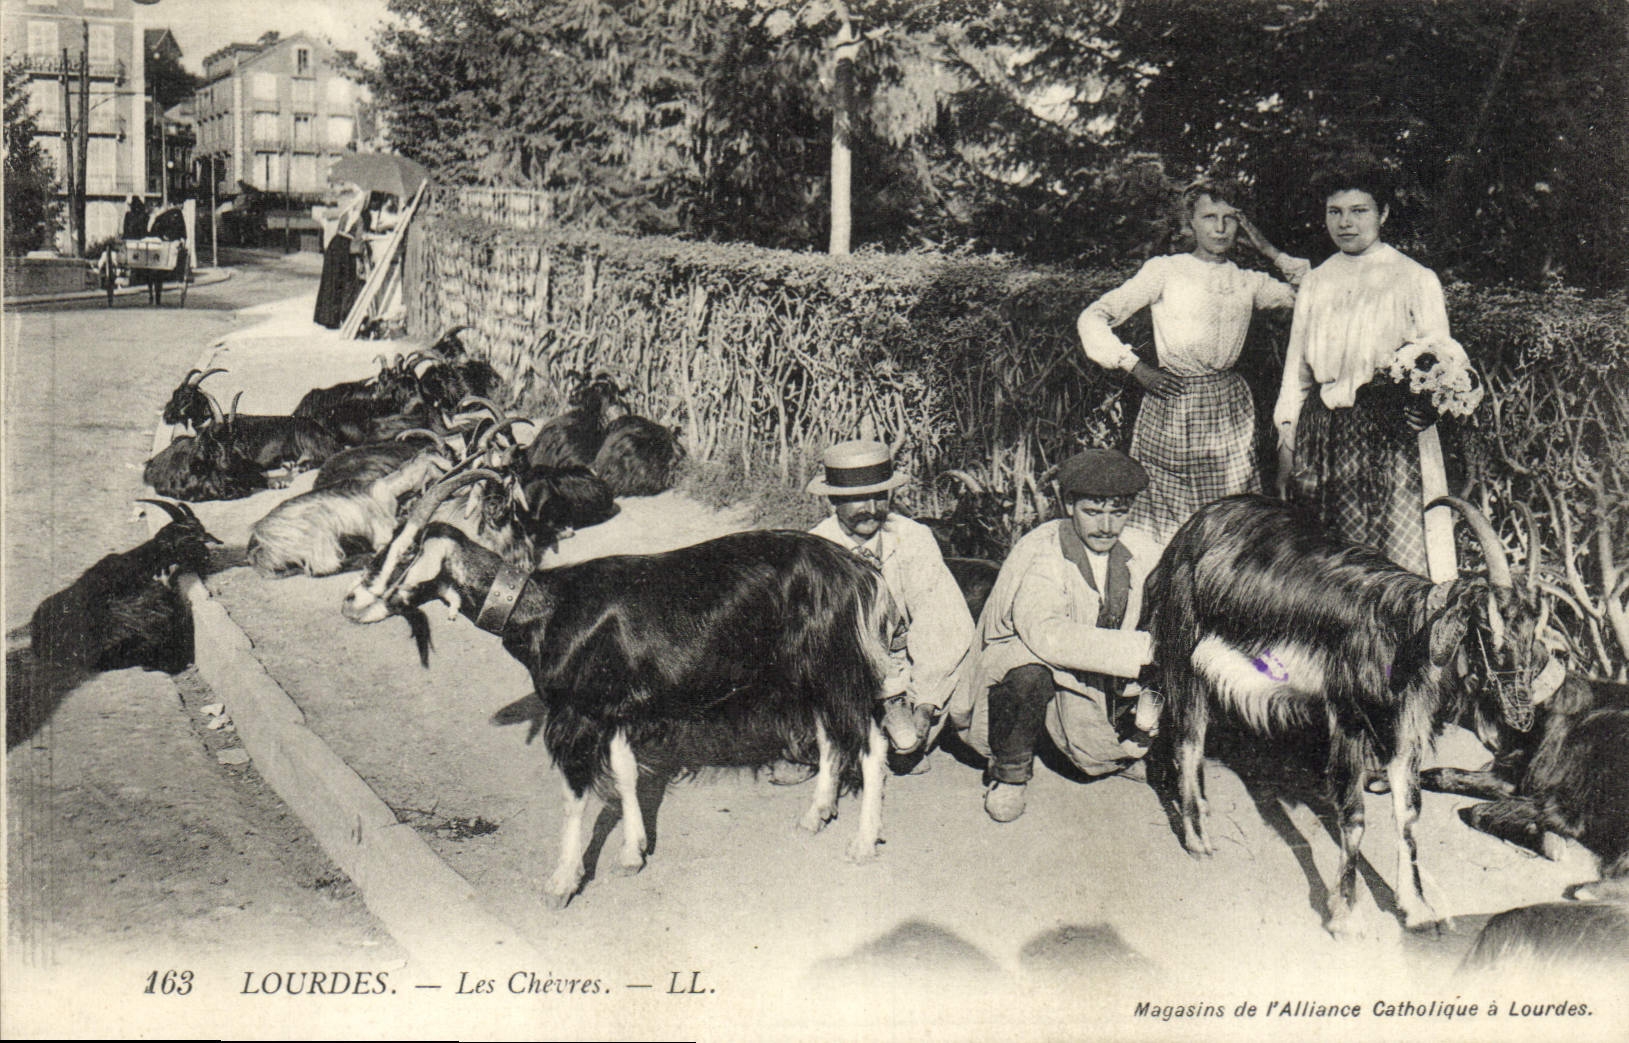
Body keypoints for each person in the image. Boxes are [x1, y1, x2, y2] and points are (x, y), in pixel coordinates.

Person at [1077, 179, 1307, 547]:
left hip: (1229, 410)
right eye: (1209, 217)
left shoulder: (1246, 281)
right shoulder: (1165, 271)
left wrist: (1267, 249)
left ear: (1241, 226)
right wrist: (1134, 366)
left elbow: (1313, 294)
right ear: (1190, 223)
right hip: (1171, 401)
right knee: (1164, 527)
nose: (1219, 227)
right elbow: (1093, 316)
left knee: (1230, 523)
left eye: (1229, 218)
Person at [946, 449, 1162, 823]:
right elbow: (1044, 634)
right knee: (1027, 671)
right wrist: (1143, 649)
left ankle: (1113, 750)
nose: (1107, 526)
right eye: (1093, 512)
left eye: (1119, 512)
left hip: (1090, 671)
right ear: (1069, 505)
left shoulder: (1140, 549)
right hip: (1028, 661)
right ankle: (1010, 772)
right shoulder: (1043, 551)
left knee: (1157, 657)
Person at [1271, 160, 1451, 574]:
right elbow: (1296, 374)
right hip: (1323, 435)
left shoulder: (1414, 278)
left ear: (1383, 213)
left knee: (1395, 564)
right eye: (1335, 212)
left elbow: (1441, 362)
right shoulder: (1317, 281)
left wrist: (1425, 406)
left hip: (1390, 436)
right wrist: (1286, 449)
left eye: (1359, 211)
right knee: (1328, 566)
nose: (1345, 223)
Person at [805, 439, 975, 771]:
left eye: (878, 496)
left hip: (905, 663)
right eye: (855, 499)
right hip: (848, 668)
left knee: (910, 740)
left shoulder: (913, 537)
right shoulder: (816, 549)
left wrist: (925, 701)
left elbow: (939, 618)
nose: (870, 507)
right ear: (833, 500)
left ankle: (900, 724)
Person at [315, 186, 367, 329]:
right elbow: (357, 241)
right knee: (347, 282)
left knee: (332, 281)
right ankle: (343, 316)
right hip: (345, 249)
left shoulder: (345, 214)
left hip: (335, 246)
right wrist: (359, 255)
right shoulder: (359, 219)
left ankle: (329, 318)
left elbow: (339, 230)